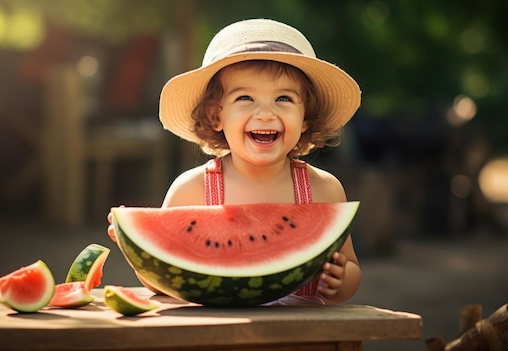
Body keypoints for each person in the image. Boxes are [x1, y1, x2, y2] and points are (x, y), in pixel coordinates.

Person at [108, 18, 362, 305]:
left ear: (305, 119)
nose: (265, 113)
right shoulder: (192, 189)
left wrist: (341, 282)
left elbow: (351, 266)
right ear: (216, 116)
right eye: (245, 98)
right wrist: (139, 248)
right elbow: (165, 282)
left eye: (283, 99)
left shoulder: (324, 190)